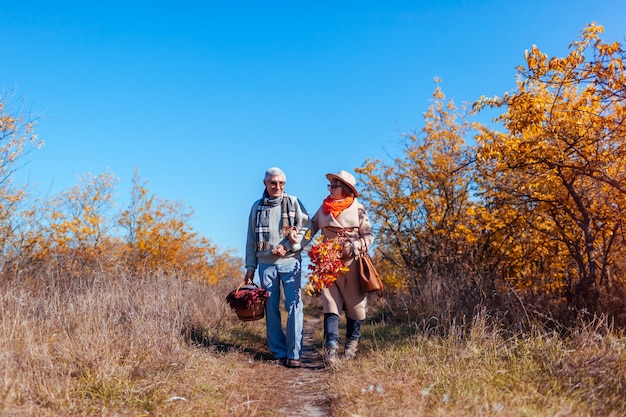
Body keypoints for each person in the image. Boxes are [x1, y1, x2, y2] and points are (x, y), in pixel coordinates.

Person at [305, 170, 374, 366]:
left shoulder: (359, 209)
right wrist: (294, 243)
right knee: (330, 305)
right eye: (330, 186)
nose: (330, 189)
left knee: (356, 307)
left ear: (345, 189)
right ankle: (331, 350)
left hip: (352, 264)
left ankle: (351, 348)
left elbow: (369, 236)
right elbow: (311, 228)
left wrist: (354, 246)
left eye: (334, 186)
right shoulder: (324, 208)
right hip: (329, 264)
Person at [244, 167, 309, 368]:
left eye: (281, 183)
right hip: (265, 264)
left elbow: (308, 229)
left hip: (291, 262)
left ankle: (294, 353)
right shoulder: (257, 207)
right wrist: (250, 267)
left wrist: (289, 246)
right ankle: (278, 352)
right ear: (265, 183)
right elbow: (250, 239)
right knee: (271, 308)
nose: (277, 187)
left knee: (294, 306)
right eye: (273, 183)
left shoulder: (294, 202)